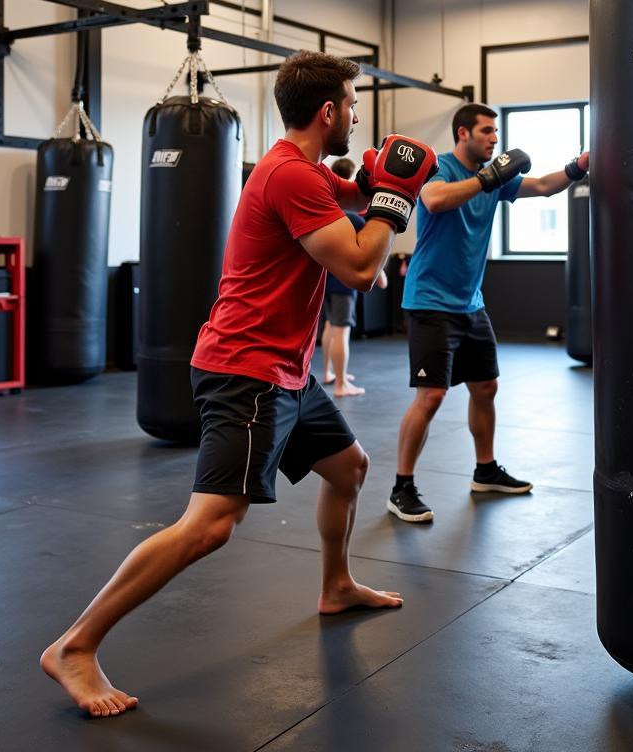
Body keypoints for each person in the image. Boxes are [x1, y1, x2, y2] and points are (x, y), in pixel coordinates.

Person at [41, 52, 438, 717]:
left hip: (285, 369)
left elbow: (349, 197)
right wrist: (394, 200)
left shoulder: (303, 172)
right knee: (210, 525)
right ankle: (75, 646)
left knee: (349, 468)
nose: (358, 115)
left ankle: (335, 585)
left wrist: (371, 182)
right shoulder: (290, 178)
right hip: (247, 371)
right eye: (353, 103)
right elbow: (363, 269)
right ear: (330, 111)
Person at [383, 102, 589, 522]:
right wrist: (488, 177)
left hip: (470, 303)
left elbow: (545, 186)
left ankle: (486, 469)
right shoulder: (438, 167)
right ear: (463, 133)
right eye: (487, 131)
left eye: (496, 131)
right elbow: (435, 200)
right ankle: (401, 487)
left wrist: (579, 165)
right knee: (432, 396)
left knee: (485, 388)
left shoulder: (495, 179)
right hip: (429, 301)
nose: (495, 138)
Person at [320, 157, 388, 397]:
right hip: (342, 283)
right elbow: (369, 252)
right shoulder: (352, 219)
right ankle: (340, 384)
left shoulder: (329, 212)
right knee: (341, 330)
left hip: (326, 281)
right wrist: (381, 276)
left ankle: (330, 372)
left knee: (331, 325)